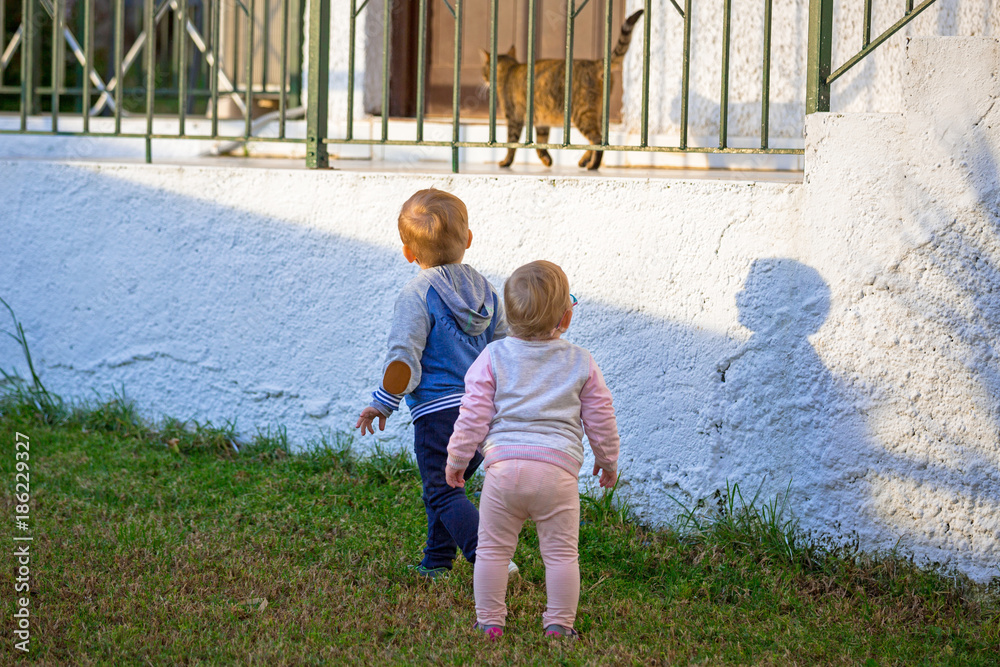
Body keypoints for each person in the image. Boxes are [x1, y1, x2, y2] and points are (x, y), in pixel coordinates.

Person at [445, 260, 620, 640]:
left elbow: (472, 413)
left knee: (492, 551)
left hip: (504, 473)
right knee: (560, 555)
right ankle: (559, 625)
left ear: (509, 315)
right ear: (566, 317)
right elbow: (600, 416)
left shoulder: (492, 357)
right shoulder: (581, 361)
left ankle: (489, 622)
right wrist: (607, 461)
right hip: (556, 475)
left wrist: (458, 459)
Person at [356, 188, 508, 578]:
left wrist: (383, 402)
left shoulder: (416, 293)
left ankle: (489, 557)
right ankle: (437, 560)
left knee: (442, 490)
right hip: (482, 412)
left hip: (439, 415)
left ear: (408, 252)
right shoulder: (488, 292)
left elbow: (403, 357)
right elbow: (504, 349)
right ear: (468, 240)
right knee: (445, 487)